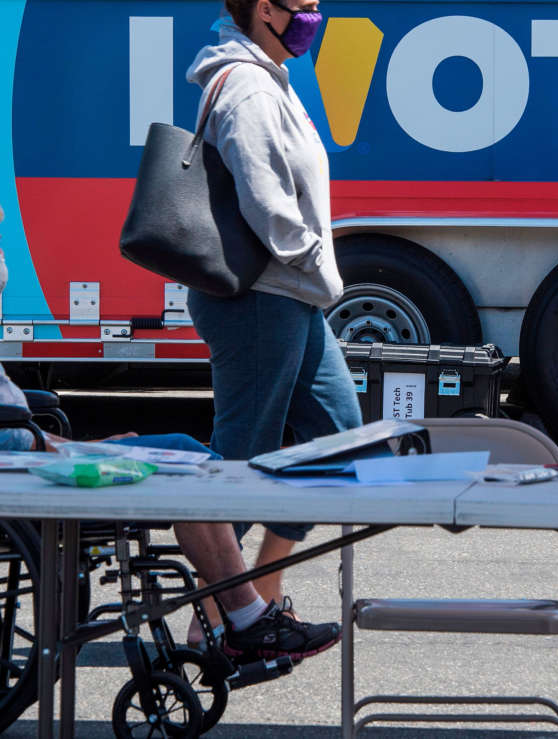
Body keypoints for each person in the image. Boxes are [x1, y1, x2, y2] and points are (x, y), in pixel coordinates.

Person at [0, 171, 341, 665]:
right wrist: (81, 449)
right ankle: (246, 616)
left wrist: (82, 445)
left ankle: (243, 614)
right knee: (185, 459)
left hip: (9, 461)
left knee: (185, 455)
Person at [184, 0, 362, 629]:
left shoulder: (268, 77)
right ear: (265, 9)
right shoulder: (250, 89)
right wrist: (320, 263)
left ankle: (256, 593)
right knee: (241, 458)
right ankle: (214, 614)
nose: (315, 17)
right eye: (306, 7)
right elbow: (268, 204)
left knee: (335, 436)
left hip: (289, 296)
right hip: (261, 297)